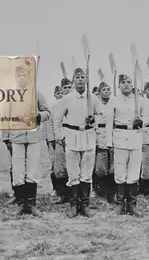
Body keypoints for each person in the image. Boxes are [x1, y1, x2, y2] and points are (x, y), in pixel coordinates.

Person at [53, 68, 102, 218]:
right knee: (73, 172)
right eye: (77, 77)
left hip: (88, 136)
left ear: (86, 79)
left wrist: (94, 120)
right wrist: (60, 136)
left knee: (86, 173)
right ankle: (74, 205)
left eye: (83, 77)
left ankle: (85, 205)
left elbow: (100, 115)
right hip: (72, 136)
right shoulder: (66, 99)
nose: (80, 79)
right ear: (73, 80)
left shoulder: (93, 99)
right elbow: (57, 120)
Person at [2, 65, 51, 217]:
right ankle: (21, 204)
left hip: (33, 137)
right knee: (18, 171)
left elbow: (47, 112)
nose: (22, 78)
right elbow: (5, 117)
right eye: (19, 75)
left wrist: (39, 117)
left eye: (25, 75)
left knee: (32, 170)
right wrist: (6, 138)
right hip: (16, 138)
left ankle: (31, 204)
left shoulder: (37, 94)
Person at [106, 75, 143, 216]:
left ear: (132, 85)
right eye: (123, 82)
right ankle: (120, 205)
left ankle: (132, 205)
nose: (126, 84)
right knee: (120, 173)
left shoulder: (139, 100)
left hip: (135, 137)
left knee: (133, 172)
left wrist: (142, 120)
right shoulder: (113, 101)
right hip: (120, 137)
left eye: (129, 82)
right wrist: (109, 143)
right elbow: (109, 122)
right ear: (118, 86)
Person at [45, 81, 69, 205]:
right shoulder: (55, 106)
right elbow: (50, 124)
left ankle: (75, 196)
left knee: (74, 168)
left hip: (74, 139)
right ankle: (62, 194)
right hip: (59, 140)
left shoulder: (77, 103)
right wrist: (51, 140)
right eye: (64, 88)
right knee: (59, 169)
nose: (67, 90)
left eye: (70, 87)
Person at [93, 82, 116, 204]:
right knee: (100, 168)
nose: (106, 91)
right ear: (99, 92)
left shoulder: (114, 103)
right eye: (104, 90)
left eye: (108, 89)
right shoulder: (95, 103)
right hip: (99, 136)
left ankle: (111, 194)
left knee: (112, 168)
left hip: (112, 136)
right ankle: (100, 192)